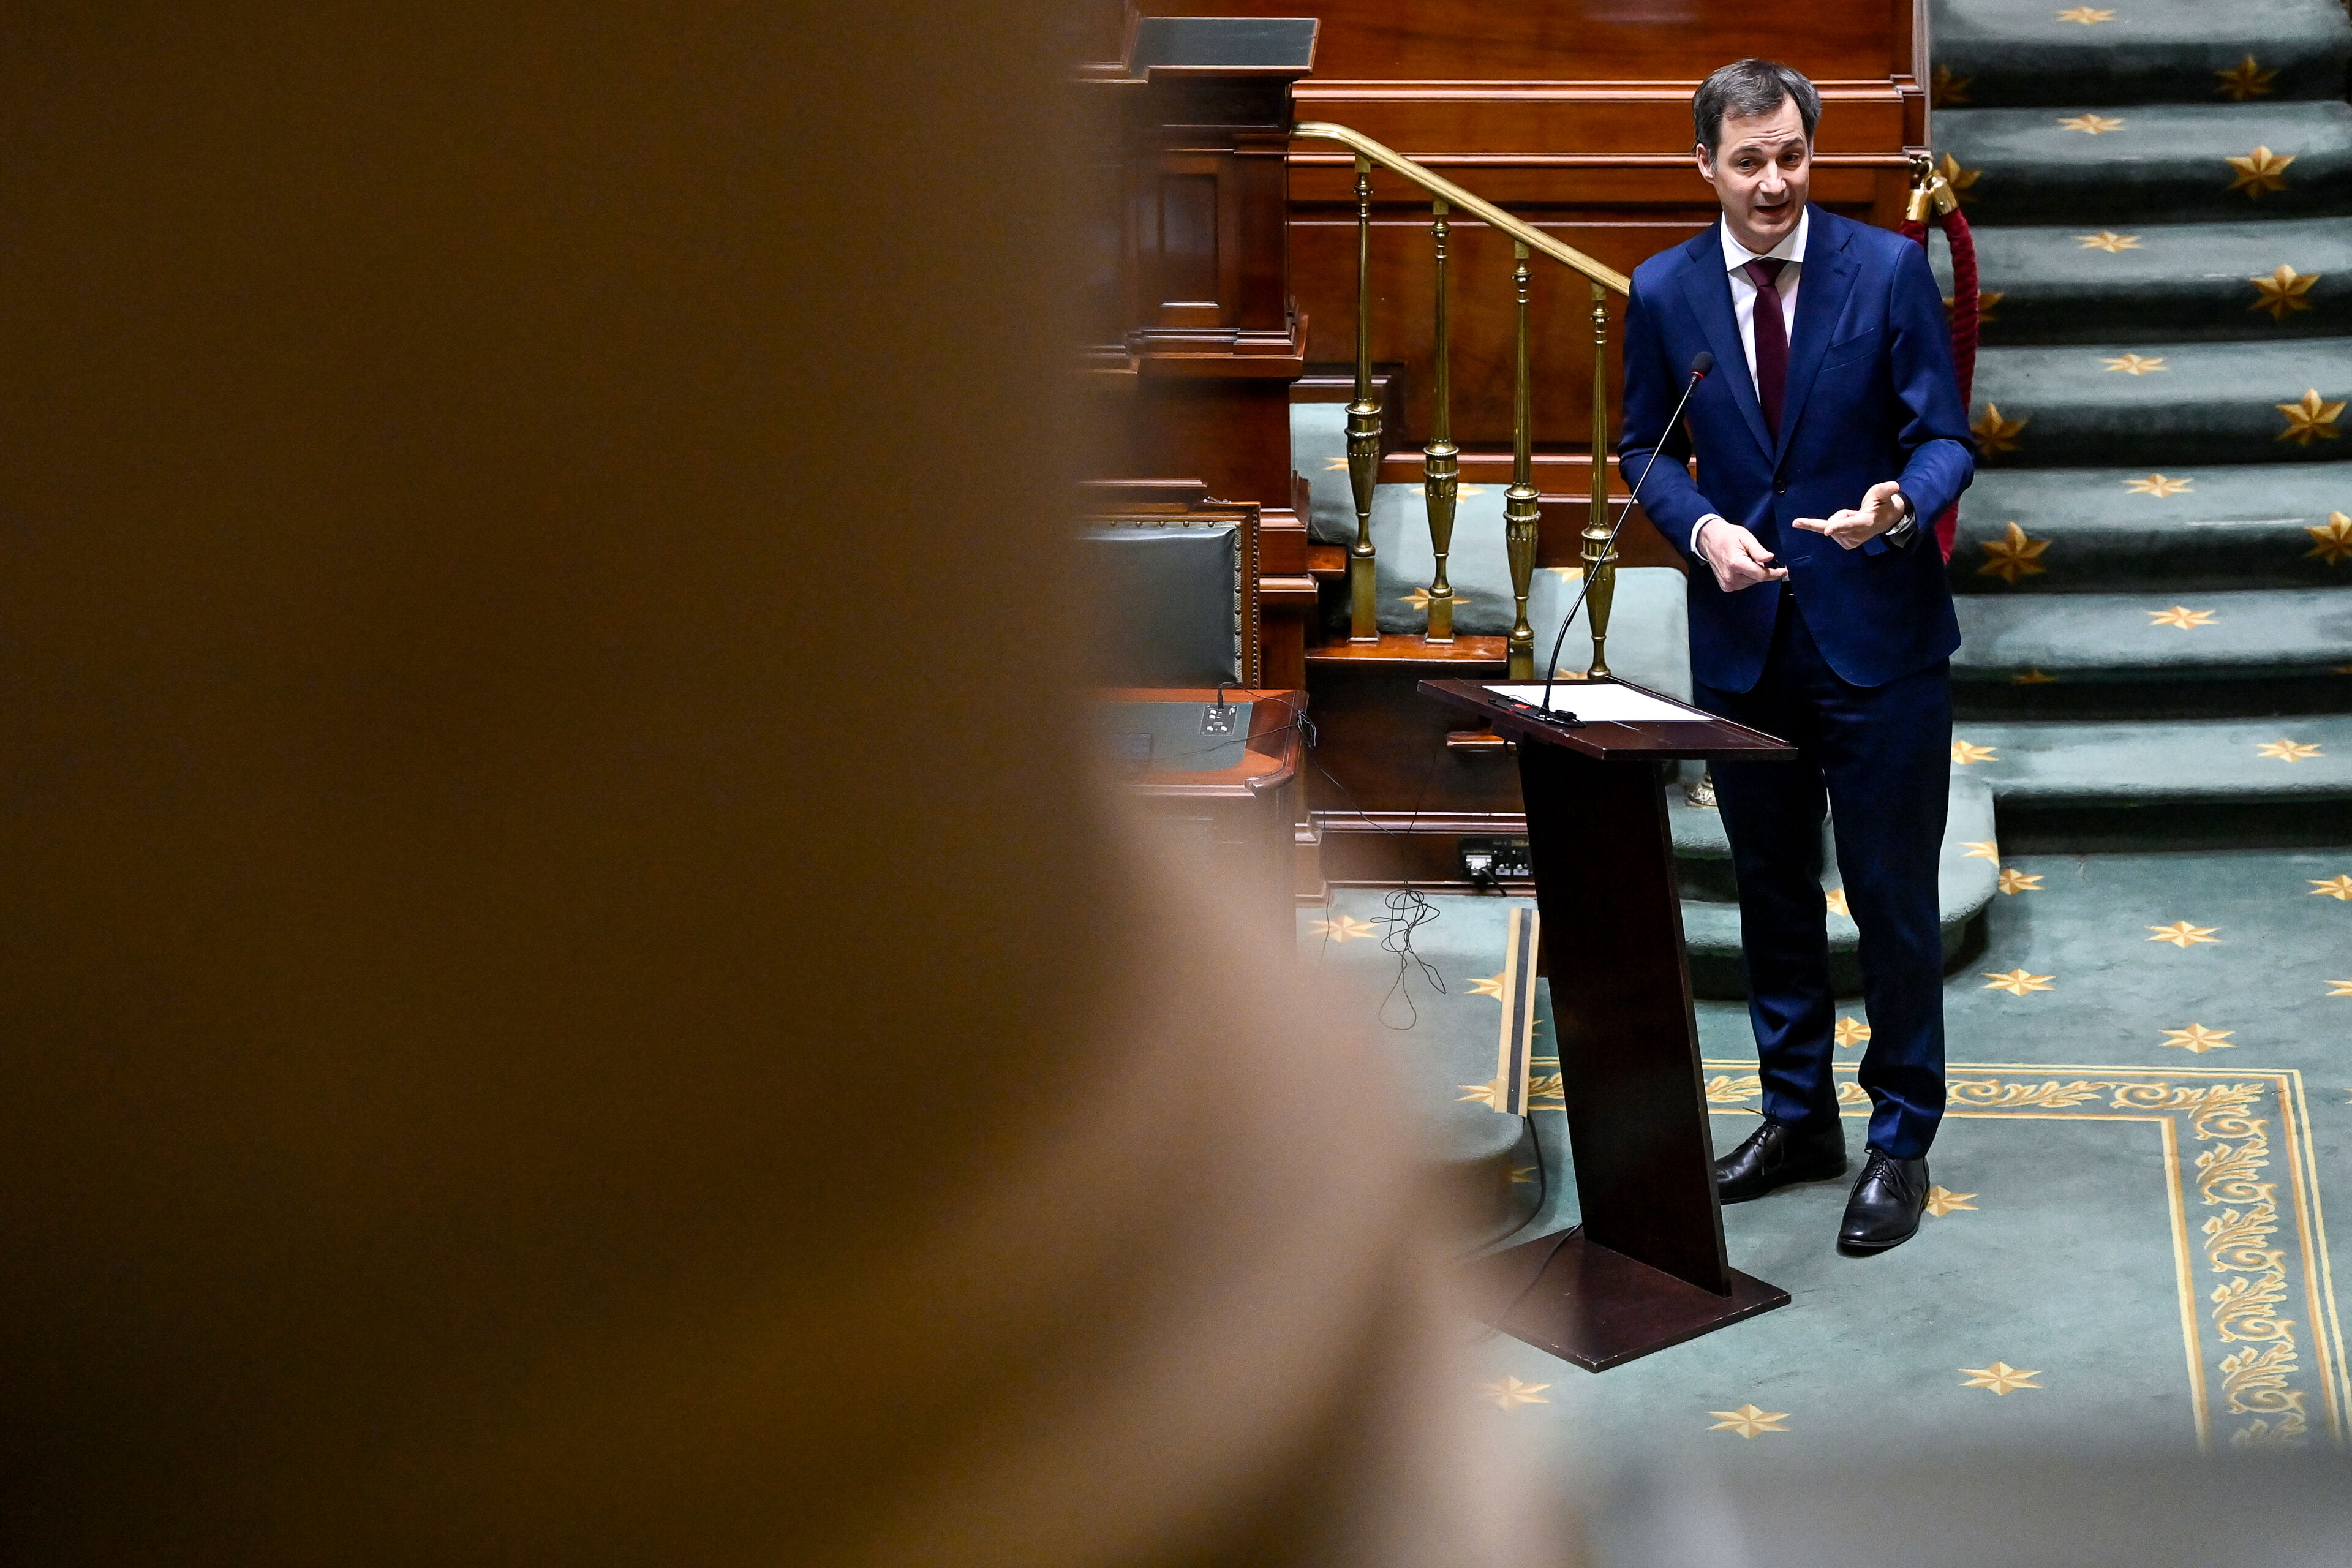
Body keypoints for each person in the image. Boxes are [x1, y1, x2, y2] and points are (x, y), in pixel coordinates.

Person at [1615, 58, 1974, 1252]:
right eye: (1750, 161)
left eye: (1792, 157)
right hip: (1746, 637)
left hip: (1881, 639)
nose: (1774, 183)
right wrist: (1702, 529)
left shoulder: (1886, 269)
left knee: (1891, 898)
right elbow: (1643, 447)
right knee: (1772, 894)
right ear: (1705, 165)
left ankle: (1901, 1138)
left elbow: (1945, 437)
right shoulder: (1665, 291)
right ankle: (1797, 1117)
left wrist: (1898, 505)